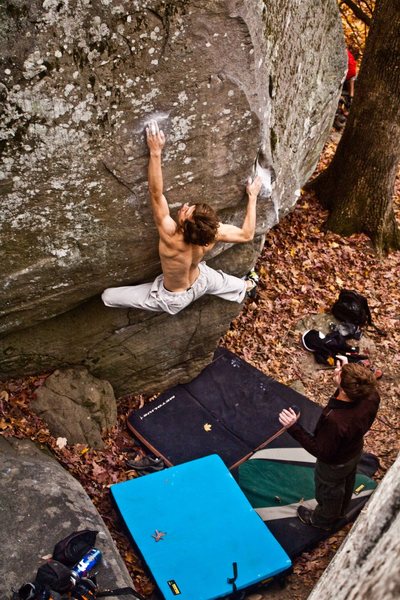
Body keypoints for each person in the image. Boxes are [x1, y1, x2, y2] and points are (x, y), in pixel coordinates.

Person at [102, 120, 262, 315]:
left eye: (186, 212)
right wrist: (252, 198)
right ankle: (247, 285)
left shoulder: (170, 237)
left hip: (173, 297)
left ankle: (245, 286)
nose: (184, 207)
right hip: (200, 281)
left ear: (185, 227)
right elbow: (247, 234)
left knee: (107, 297)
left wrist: (155, 152)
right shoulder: (211, 234)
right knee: (220, 281)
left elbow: (156, 193)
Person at [278, 356, 380, 530]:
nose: (336, 371)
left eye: (340, 374)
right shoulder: (371, 395)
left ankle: (322, 520)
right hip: (354, 451)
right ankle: (341, 509)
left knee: (329, 491)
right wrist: (348, 376)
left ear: (345, 392)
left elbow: (321, 451)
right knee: (347, 481)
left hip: (334, 464)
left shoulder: (336, 422)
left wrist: (293, 427)